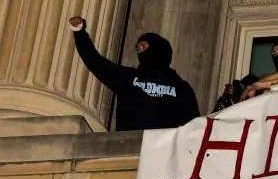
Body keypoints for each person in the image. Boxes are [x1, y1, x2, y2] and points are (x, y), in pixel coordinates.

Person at [68, 16, 199, 131]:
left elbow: (194, 126)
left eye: (144, 46)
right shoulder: (128, 78)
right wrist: (79, 33)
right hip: (128, 150)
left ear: (157, 49)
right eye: (138, 48)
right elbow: (96, 63)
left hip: (164, 152)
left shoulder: (180, 88)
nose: (140, 51)